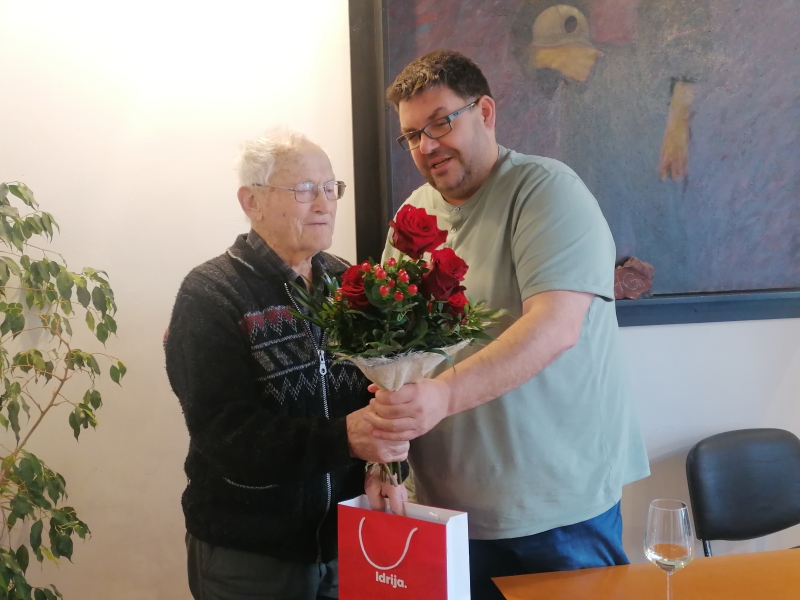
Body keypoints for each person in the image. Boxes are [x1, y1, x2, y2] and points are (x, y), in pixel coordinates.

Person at [363, 50, 650, 599]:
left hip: (556, 514)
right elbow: (390, 352)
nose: (427, 146)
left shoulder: (547, 191)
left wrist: (443, 396)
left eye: (440, 123)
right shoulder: (412, 216)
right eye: (412, 135)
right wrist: (386, 457)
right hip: (444, 512)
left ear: (486, 112)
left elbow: (555, 327)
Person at [165, 128, 408, 600]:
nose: (324, 204)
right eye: (304, 189)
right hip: (249, 554)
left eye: (330, 188)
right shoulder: (211, 295)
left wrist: (383, 463)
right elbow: (225, 435)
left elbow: (378, 392)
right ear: (251, 201)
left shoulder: (347, 282)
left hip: (347, 542)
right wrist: (344, 438)